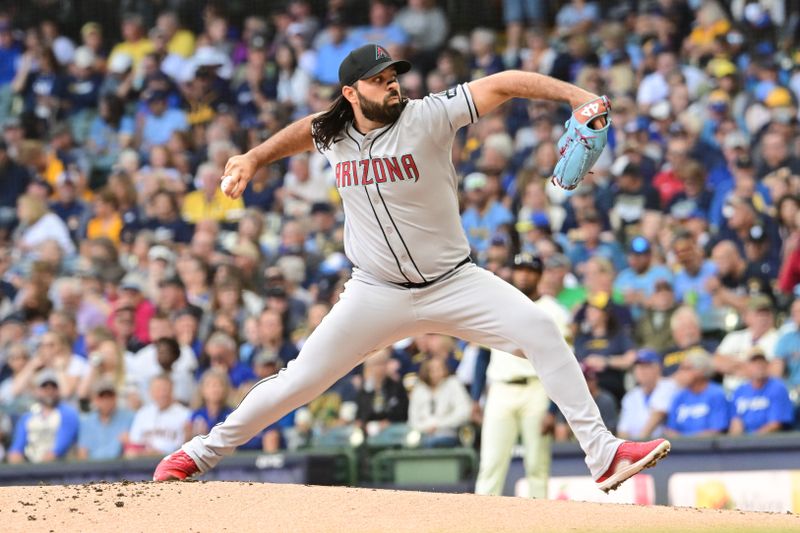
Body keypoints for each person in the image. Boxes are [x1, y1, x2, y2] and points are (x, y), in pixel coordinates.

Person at [154, 43, 669, 492]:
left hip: (455, 283)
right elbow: (303, 132)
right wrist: (253, 158)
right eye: (378, 81)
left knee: (540, 328)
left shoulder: (429, 114)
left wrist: (576, 96)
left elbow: (507, 83)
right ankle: (200, 453)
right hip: (375, 292)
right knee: (298, 380)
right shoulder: (333, 130)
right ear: (351, 94)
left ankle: (603, 454)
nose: (391, 86)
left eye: (393, 76)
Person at [473, 252, 570, 499]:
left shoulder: (554, 312)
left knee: (537, 465)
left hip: (537, 389)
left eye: (530, 270)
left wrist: (552, 409)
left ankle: (540, 523)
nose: (524, 275)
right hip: (500, 389)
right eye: (520, 270)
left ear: (539, 275)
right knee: (491, 462)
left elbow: (563, 364)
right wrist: (475, 398)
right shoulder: (499, 305)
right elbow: (483, 356)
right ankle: (478, 521)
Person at [7, 369, 80, 463]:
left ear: (58, 390)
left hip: (60, 467)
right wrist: (16, 458)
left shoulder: (68, 413)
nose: (49, 391)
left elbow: (60, 447)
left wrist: (42, 465)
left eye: (53, 387)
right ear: (37, 391)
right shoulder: (27, 416)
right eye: (45, 387)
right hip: (30, 465)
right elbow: (16, 448)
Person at [664, 348, 730, 438]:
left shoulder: (716, 394)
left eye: (686, 368)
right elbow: (670, 431)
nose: (680, 373)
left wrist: (684, 440)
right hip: (681, 450)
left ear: (701, 371)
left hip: (709, 449)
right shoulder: (678, 396)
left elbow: (716, 431)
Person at [408, 357, 471, 448]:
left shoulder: (453, 384)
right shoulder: (419, 389)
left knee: (433, 443)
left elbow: (464, 412)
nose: (436, 373)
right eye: (432, 370)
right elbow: (412, 420)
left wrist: (439, 424)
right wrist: (426, 427)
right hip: (422, 436)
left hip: (449, 434)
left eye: (439, 368)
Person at [729, 348, 794, 435]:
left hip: (770, 442)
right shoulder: (740, 390)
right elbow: (736, 422)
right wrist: (737, 442)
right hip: (745, 443)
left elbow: (775, 424)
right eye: (754, 362)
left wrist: (751, 441)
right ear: (746, 366)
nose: (759, 365)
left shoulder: (777, 388)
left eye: (761, 362)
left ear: (767, 365)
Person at [617, 349, 678, 440]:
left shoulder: (668, 386)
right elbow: (622, 431)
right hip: (635, 447)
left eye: (646, 366)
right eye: (638, 367)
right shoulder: (630, 396)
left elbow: (658, 415)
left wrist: (638, 445)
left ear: (658, 368)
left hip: (662, 447)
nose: (640, 371)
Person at [126, 374, 190, 457]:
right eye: (157, 390)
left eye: (165, 389)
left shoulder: (185, 414)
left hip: (169, 461)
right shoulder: (142, 413)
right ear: (150, 392)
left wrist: (160, 453)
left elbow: (184, 449)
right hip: (142, 462)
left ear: (172, 390)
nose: (162, 393)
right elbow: (134, 442)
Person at [76, 377, 134, 460]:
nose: (106, 401)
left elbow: (134, 447)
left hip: (120, 468)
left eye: (110, 396)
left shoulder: (129, 418)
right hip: (93, 469)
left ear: (115, 398)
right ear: (95, 399)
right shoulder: (87, 422)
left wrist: (129, 442)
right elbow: (82, 453)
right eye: (102, 397)